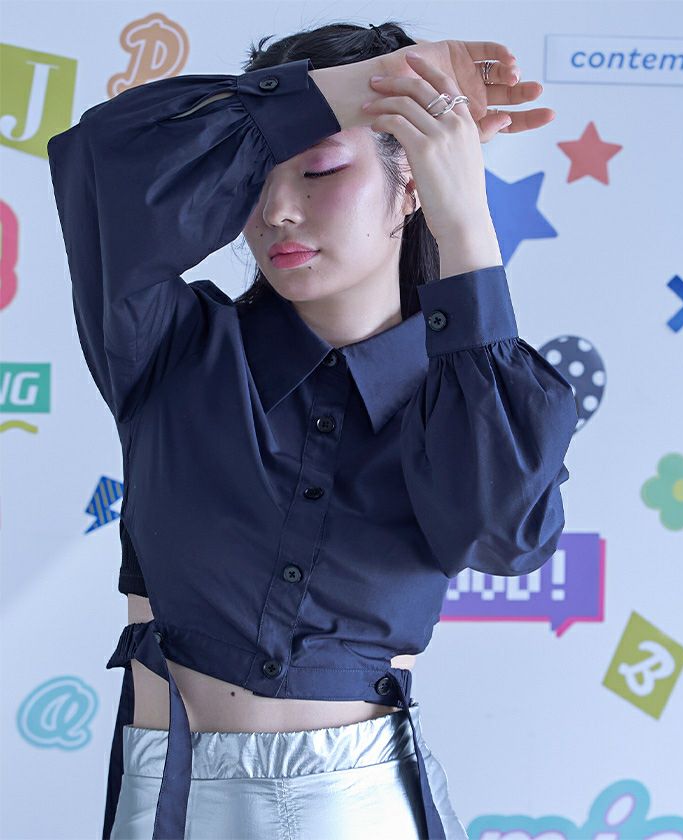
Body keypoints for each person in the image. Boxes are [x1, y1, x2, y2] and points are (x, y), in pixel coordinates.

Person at [47, 19, 577, 840]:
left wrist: (466, 223)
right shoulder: (169, 350)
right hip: (175, 800)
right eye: (256, 178)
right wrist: (361, 88)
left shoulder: (471, 394)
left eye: (320, 169)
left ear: (411, 184)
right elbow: (101, 162)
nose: (277, 211)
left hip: (363, 805)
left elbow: (503, 536)